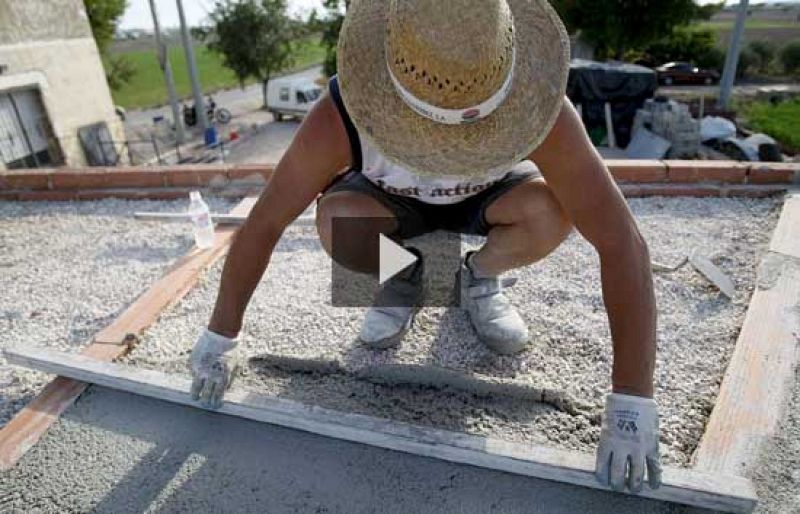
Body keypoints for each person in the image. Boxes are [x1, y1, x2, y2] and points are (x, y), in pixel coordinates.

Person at [189, 0, 661, 495]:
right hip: (395, 207)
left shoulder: (538, 101)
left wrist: (632, 400)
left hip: (487, 201)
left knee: (549, 213)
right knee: (338, 220)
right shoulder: (342, 112)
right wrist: (221, 337)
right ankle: (404, 278)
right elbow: (265, 222)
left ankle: (476, 277)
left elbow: (621, 240)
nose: (446, 149)